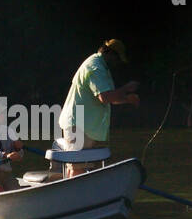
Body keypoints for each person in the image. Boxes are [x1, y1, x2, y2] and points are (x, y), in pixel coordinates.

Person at [57, 38, 139, 177]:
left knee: (78, 166)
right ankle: (77, 197)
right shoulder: (95, 67)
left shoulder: (101, 67)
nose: (117, 63)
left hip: (86, 126)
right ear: (110, 54)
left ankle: (79, 197)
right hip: (79, 125)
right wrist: (126, 88)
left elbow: (110, 98)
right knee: (77, 167)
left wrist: (127, 99)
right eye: (117, 59)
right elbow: (104, 97)